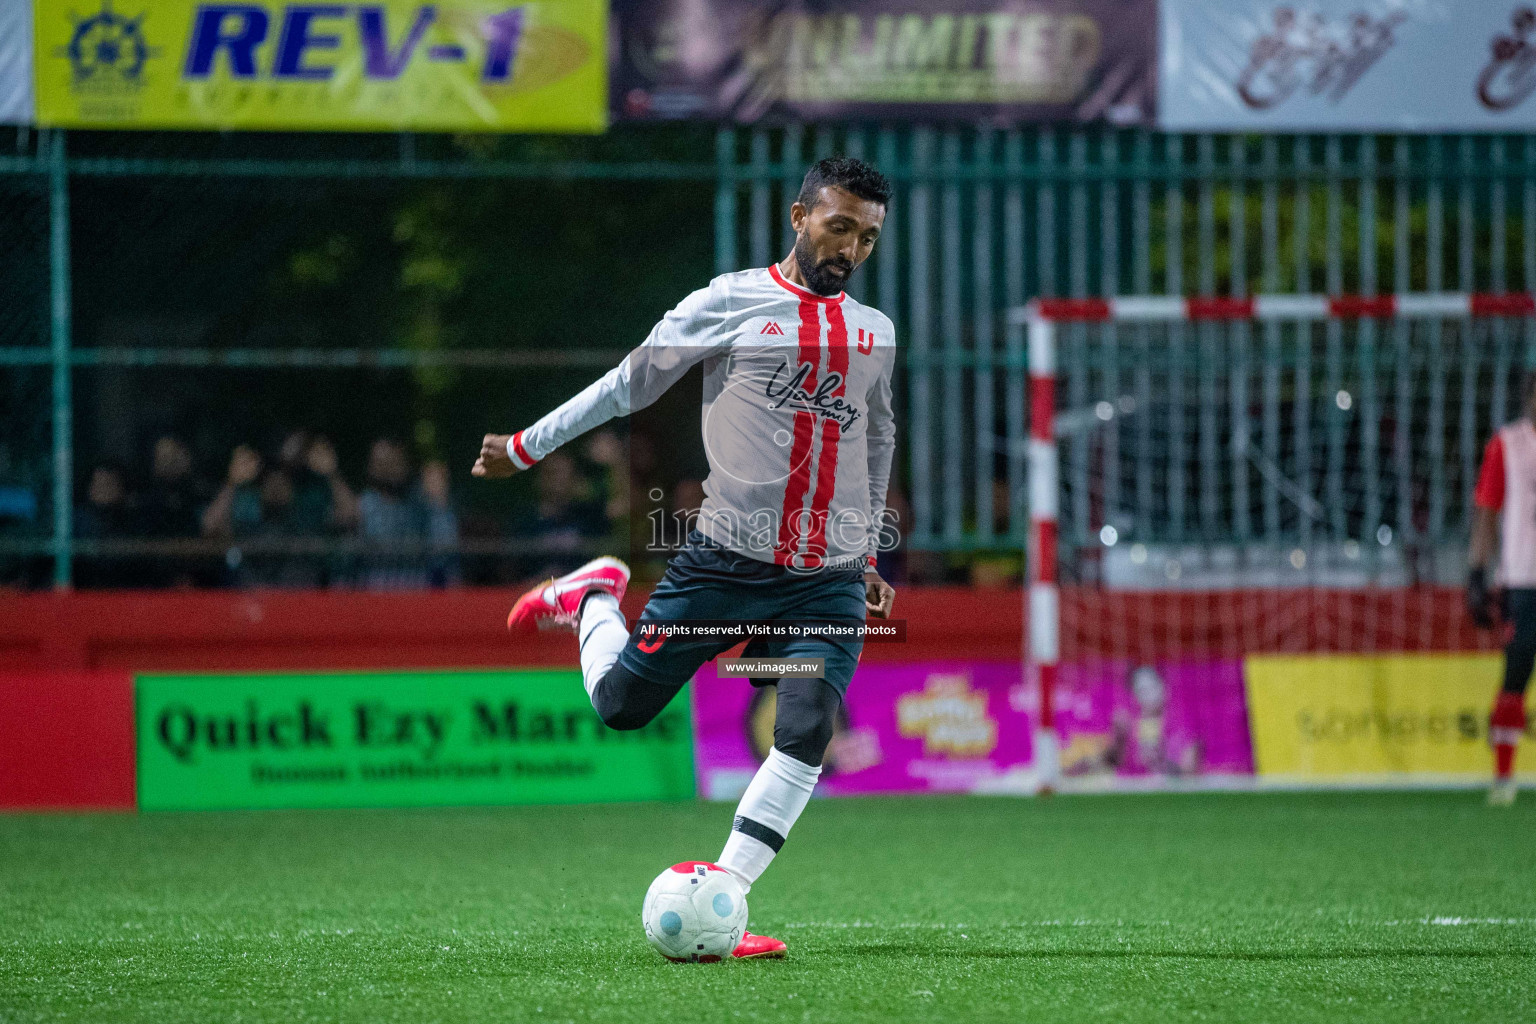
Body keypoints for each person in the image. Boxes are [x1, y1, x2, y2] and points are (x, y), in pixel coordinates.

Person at [473, 157, 897, 959]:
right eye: (839, 226)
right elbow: (629, 384)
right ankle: (594, 596)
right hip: (724, 567)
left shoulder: (874, 331)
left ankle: (726, 901)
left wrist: (868, 550)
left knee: (806, 729)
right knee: (622, 707)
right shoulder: (730, 300)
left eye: (868, 236)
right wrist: (527, 447)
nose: (851, 248)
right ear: (799, 216)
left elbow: (875, 439)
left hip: (827, 579)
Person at [1469, 371, 1536, 805]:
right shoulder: (1507, 444)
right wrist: (1475, 572)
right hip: (1523, 579)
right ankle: (1503, 777)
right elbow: (1487, 512)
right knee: (1516, 673)